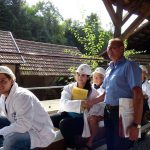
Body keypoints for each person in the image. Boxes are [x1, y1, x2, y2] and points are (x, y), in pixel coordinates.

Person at [87, 38, 143, 150]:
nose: (109, 51)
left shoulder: (130, 66)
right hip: (108, 112)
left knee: (121, 145)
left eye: (113, 48)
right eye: (108, 48)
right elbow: (105, 94)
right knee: (110, 143)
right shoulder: (108, 69)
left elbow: (138, 95)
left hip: (122, 112)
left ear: (122, 49)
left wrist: (136, 125)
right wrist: (89, 103)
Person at [0, 66, 56, 150]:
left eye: (3, 81)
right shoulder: (3, 97)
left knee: (11, 141)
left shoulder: (22, 96)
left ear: (11, 81)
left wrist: (1, 132)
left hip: (38, 132)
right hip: (22, 125)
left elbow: (23, 126)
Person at [50, 64, 104, 150]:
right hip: (68, 114)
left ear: (87, 77)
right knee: (50, 119)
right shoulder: (68, 88)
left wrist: (90, 108)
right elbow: (63, 103)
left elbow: (100, 108)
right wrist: (81, 103)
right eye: (78, 74)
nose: (80, 77)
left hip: (82, 120)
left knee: (64, 124)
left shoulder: (93, 93)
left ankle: (71, 147)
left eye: (83, 75)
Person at [86, 67, 106, 147]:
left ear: (103, 79)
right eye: (95, 77)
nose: (96, 79)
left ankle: (91, 140)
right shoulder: (89, 87)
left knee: (92, 119)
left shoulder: (105, 89)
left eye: (99, 77)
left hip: (101, 112)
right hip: (90, 109)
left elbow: (104, 101)